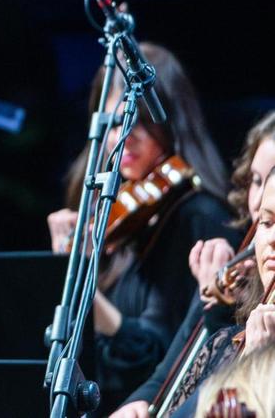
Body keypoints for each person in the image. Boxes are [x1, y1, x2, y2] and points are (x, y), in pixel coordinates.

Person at [45, 43, 241, 413]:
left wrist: (79, 281)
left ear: (172, 122)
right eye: (115, 121)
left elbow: (155, 356)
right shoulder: (118, 215)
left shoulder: (196, 216)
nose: (126, 135)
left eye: (140, 121)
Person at [111, 110, 275, 418]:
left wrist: (257, 361)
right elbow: (171, 378)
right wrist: (140, 402)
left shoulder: (201, 217)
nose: (260, 197)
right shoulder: (237, 281)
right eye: (256, 180)